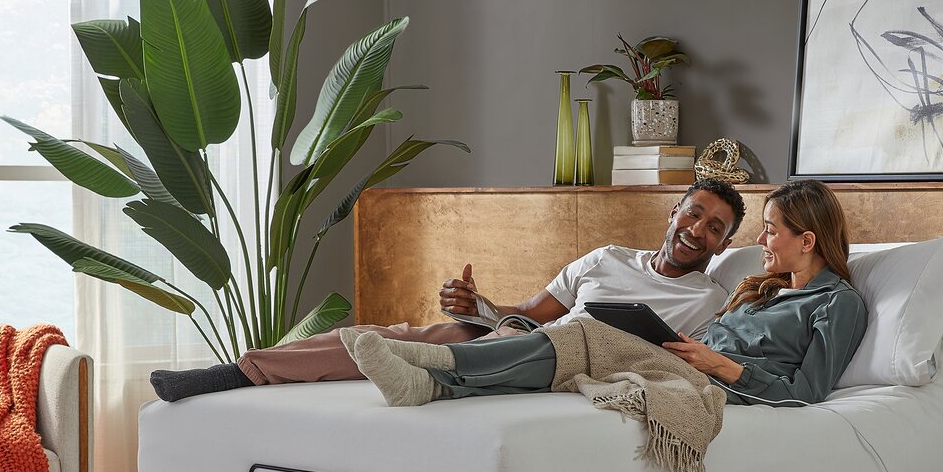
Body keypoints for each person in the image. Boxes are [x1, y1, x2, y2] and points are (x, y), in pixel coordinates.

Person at [150, 178, 747, 401]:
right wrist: (479, 306)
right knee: (389, 335)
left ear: (723, 244)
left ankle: (425, 376)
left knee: (428, 349)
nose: (698, 230)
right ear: (673, 212)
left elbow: (684, 359)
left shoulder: (710, 299)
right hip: (524, 336)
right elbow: (530, 312)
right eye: (693, 213)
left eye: (715, 228)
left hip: (572, 360)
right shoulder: (607, 258)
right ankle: (242, 372)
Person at [345, 179, 867, 408]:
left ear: (806, 241)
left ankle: (430, 365)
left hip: (711, 381)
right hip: (681, 360)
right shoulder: (762, 290)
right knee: (579, 345)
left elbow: (806, 392)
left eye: (770, 231)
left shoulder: (837, 304)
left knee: (585, 335)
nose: (762, 242)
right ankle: (431, 385)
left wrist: (723, 367)